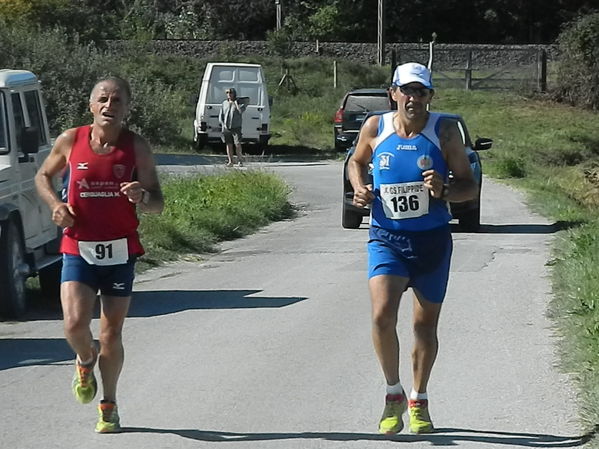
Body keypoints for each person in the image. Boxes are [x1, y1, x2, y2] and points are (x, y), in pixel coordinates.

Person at [348, 62, 477, 435]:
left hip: (432, 240)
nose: (414, 98)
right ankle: (393, 394)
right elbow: (356, 162)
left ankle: (419, 399)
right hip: (386, 238)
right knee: (381, 316)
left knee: (424, 326)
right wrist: (359, 186)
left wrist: (446, 190)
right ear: (393, 93)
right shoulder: (376, 126)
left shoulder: (446, 133)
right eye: (407, 90)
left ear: (430, 97)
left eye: (422, 92)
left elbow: (470, 187)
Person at [35, 76, 164, 433]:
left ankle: (109, 405)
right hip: (78, 246)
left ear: (126, 108)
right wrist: (56, 205)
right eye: (103, 99)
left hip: (120, 251)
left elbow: (158, 204)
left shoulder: (136, 147)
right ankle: (84, 359)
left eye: (117, 100)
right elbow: (42, 177)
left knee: (111, 334)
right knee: (75, 325)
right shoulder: (70, 141)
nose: (110, 106)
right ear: (91, 105)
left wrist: (141, 196)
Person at [218, 87, 247, 166]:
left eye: (230, 93)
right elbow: (221, 115)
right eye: (227, 93)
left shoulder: (239, 103)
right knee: (229, 144)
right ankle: (230, 161)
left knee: (237, 144)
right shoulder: (224, 103)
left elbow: (241, 111)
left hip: (236, 127)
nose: (229, 94)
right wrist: (223, 124)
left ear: (234, 94)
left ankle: (240, 160)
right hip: (226, 127)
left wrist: (236, 103)